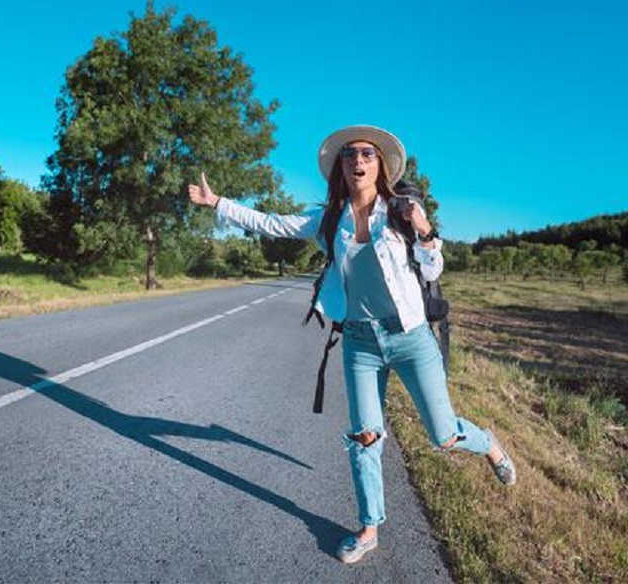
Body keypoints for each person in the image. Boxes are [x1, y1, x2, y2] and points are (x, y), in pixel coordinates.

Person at [188, 125, 515, 565]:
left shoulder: (400, 212)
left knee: (443, 435)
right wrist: (218, 204)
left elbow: (433, 270)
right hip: (360, 341)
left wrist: (425, 230)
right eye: (348, 155)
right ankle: (368, 528)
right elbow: (270, 222)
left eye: (366, 154)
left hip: (411, 337)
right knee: (364, 437)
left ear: (379, 165)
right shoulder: (328, 219)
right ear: (340, 168)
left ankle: (489, 444)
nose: (357, 160)